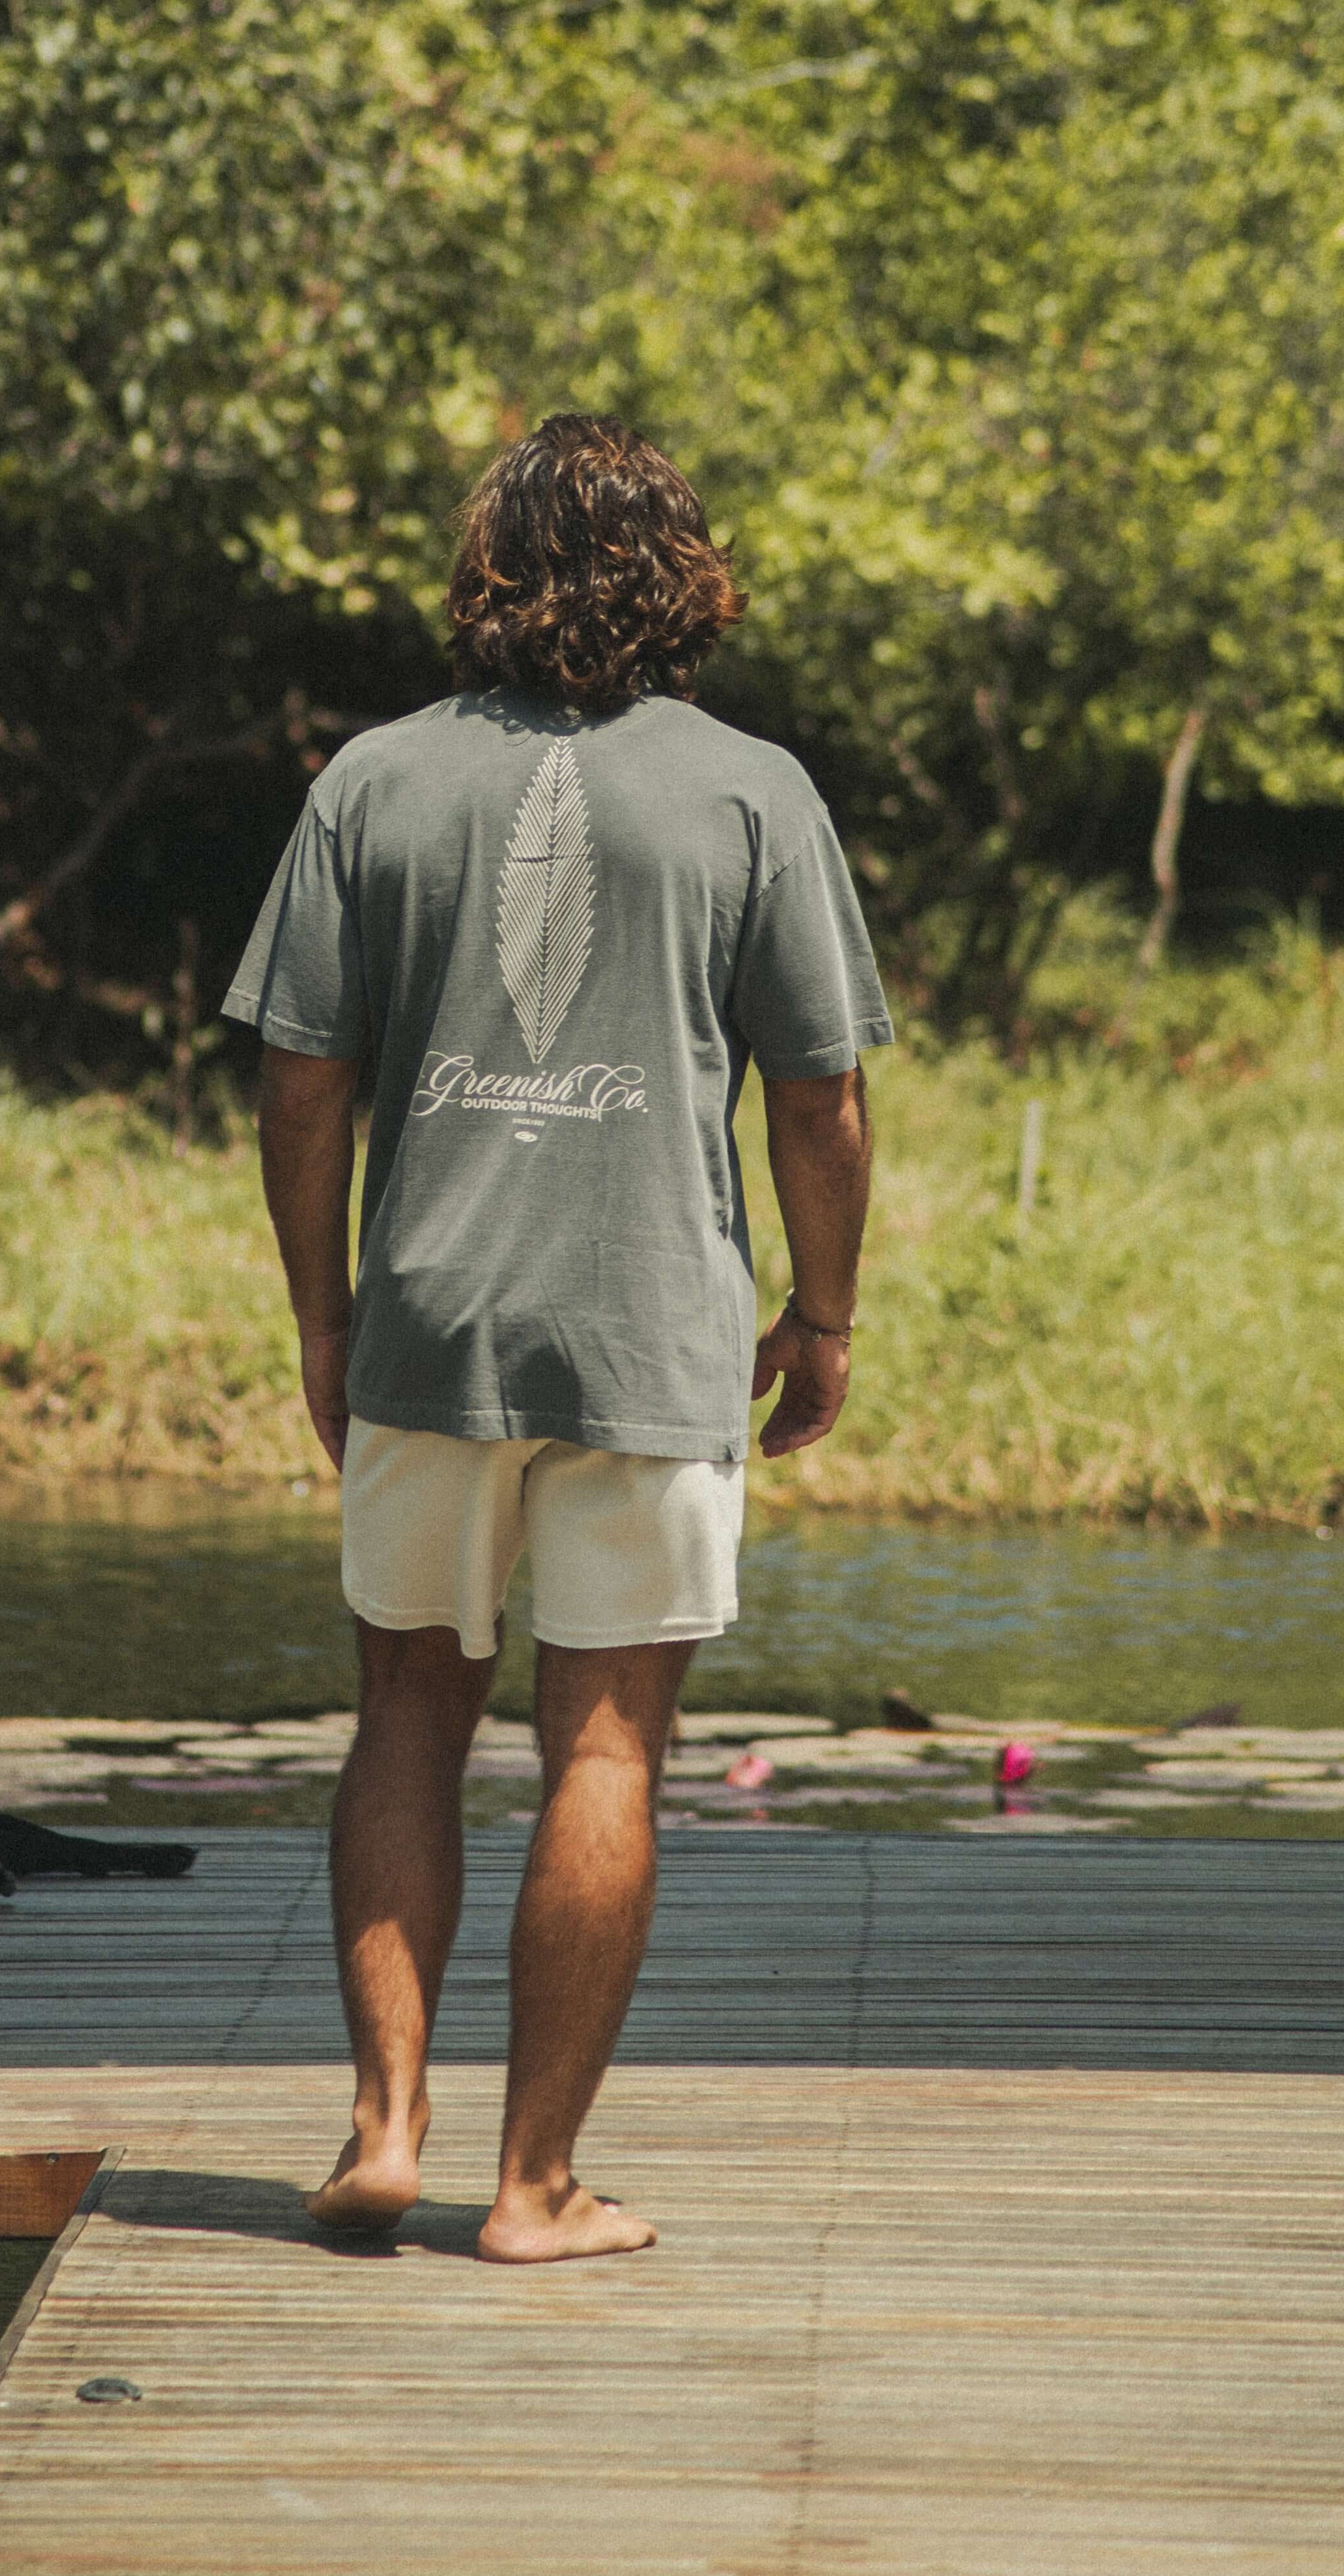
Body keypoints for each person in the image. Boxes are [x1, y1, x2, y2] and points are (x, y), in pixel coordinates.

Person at [223, 414, 889, 2265]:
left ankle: (383, 2126)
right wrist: (822, 1315)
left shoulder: (372, 779)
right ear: (685, 569)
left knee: (405, 1717)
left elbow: (300, 1080)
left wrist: (323, 1313)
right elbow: (820, 1100)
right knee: (605, 1747)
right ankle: (531, 2187)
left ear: (488, 565)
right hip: (654, 1330)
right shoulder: (754, 790)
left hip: (429, 1325)